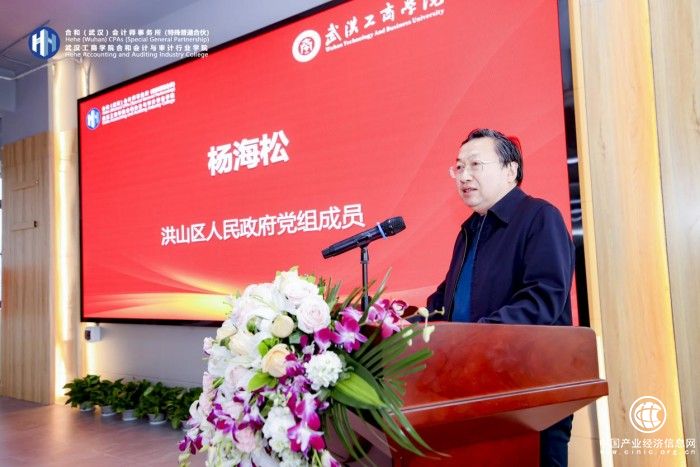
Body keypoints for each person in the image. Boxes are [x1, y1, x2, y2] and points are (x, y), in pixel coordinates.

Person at [427, 128, 575, 467]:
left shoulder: (539, 217)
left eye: (475, 165)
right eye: (459, 167)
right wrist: (400, 324)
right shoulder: (469, 231)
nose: (464, 175)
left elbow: (543, 299)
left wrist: (476, 337)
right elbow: (446, 301)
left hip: (531, 392)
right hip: (476, 389)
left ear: (510, 171)